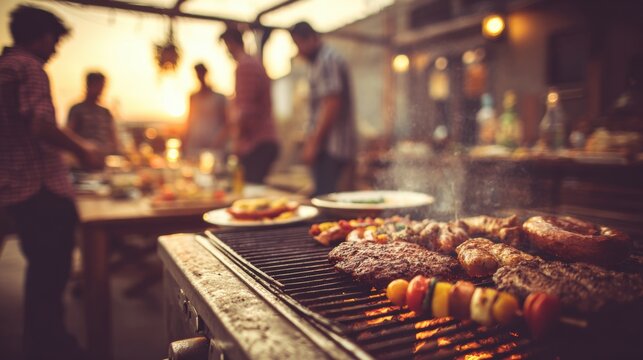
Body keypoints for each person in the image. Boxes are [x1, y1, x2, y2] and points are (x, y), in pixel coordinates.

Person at [0, 5, 102, 359]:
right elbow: (41, 125)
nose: (56, 48)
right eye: (55, 40)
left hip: (15, 187)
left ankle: (40, 342)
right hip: (42, 188)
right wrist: (84, 149)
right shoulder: (29, 67)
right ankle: (51, 345)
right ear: (42, 35)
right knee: (50, 273)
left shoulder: (5, 67)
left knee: (40, 273)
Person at [289, 21, 357, 196]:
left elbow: (332, 103)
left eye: (299, 44)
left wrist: (314, 143)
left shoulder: (328, 60)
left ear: (311, 38)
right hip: (327, 145)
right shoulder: (318, 62)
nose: (298, 51)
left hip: (331, 146)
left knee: (327, 200)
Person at [219, 26, 279, 184]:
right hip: (261, 142)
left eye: (227, 46)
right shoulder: (252, 63)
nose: (227, 52)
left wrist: (237, 142)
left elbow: (245, 110)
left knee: (249, 190)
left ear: (231, 43)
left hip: (257, 143)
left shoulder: (245, 66)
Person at [66, 71, 119, 157]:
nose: (100, 90)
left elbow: (113, 139)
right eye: (97, 86)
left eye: (102, 87)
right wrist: (85, 146)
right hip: (83, 158)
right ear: (88, 85)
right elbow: (69, 134)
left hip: (103, 158)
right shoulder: (77, 109)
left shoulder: (105, 112)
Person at [182, 63, 228, 160]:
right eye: (197, 74)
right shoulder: (193, 97)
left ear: (206, 74)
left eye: (201, 73)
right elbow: (189, 120)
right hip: (194, 145)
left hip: (214, 144)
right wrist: (184, 141)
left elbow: (227, 122)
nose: (199, 76)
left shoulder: (219, 97)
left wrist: (219, 140)